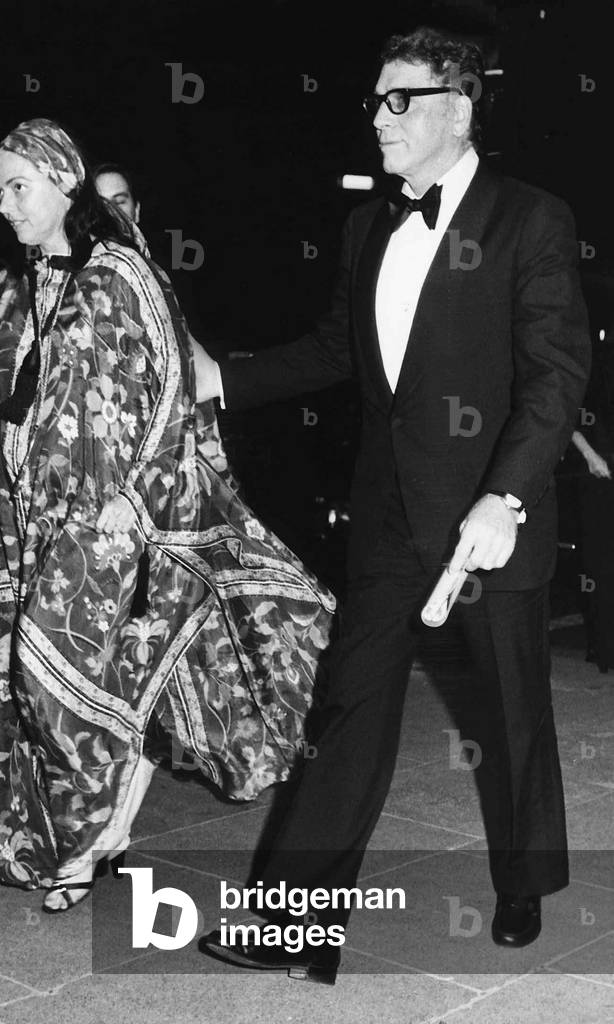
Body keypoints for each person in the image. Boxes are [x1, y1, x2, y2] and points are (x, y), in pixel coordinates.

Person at [196, 27, 590, 982]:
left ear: (457, 108)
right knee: (350, 708)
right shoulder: (369, 223)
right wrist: (225, 379)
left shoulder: (528, 219)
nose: (377, 117)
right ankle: (292, 924)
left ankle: (523, 884)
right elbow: (336, 349)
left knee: (510, 713)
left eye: (398, 100)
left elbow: (555, 379)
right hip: (385, 517)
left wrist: (504, 496)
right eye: (374, 99)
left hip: (490, 523)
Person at [0, 119, 334, 913]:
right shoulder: (14, 286)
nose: (6, 205)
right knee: (13, 680)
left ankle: (83, 846)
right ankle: (73, 838)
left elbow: (175, 387)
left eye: (20, 187)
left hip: (103, 519)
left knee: (58, 682)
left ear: (63, 183)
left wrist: (132, 494)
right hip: (20, 517)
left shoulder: (125, 273)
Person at [571, 322, 614, 672]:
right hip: (598, 475)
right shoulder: (593, 362)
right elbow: (567, 416)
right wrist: (590, 456)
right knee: (601, 565)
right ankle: (602, 647)